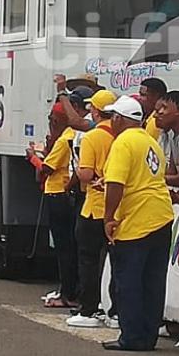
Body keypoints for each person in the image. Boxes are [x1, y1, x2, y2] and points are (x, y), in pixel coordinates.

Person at [101, 96, 174, 352]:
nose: (111, 121)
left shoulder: (123, 142)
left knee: (129, 282)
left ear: (120, 119)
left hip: (136, 221)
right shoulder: (149, 141)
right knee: (153, 282)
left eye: (113, 117)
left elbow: (116, 184)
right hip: (161, 216)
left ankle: (131, 338)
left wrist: (108, 217)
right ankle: (148, 336)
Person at [68, 88, 119, 329]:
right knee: (115, 262)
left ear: (96, 112)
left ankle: (89, 308)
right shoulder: (124, 135)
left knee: (88, 260)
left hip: (94, 206)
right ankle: (114, 310)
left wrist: (78, 168)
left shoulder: (92, 137)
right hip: (119, 208)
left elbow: (86, 174)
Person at [31, 98, 82, 309]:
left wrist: (33, 157)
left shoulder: (65, 139)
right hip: (63, 195)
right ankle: (69, 290)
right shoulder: (70, 136)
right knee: (70, 248)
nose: (51, 123)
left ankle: (68, 292)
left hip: (58, 195)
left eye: (53, 119)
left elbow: (46, 169)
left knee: (65, 249)